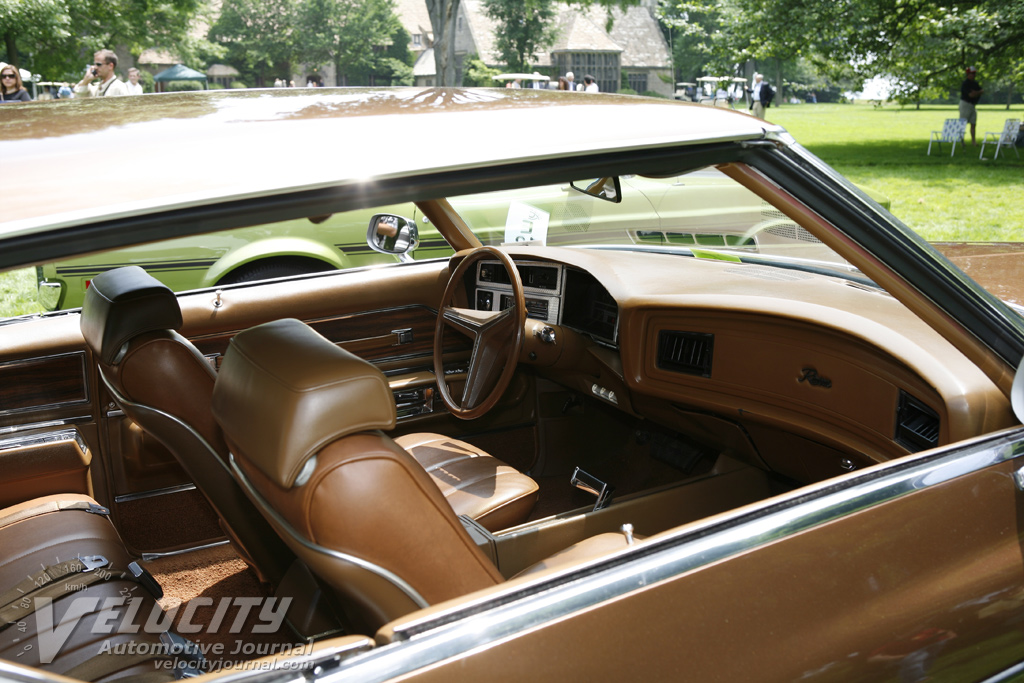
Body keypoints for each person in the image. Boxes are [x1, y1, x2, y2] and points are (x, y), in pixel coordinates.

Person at [959, 66, 984, 146]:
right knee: (963, 123)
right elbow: (971, 95)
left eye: (974, 73)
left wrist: (976, 92)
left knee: (973, 123)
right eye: (972, 74)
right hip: (965, 104)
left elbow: (982, 91)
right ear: (968, 74)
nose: (973, 75)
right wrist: (978, 92)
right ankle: (961, 140)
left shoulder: (975, 84)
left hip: (973, 105)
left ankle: (974, 141)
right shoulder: (965, 84)